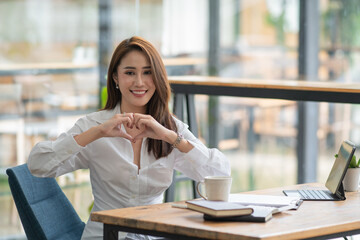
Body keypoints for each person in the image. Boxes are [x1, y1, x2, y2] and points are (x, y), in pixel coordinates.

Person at [27, 36, 231, 240]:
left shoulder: (170, 128)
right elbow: (38, 165)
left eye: (147, 72)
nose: (139, 82)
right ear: (115, 77)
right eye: (130, 73)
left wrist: (169, 136)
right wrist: (97, 132)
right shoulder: (94, 125)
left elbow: (220, 173)